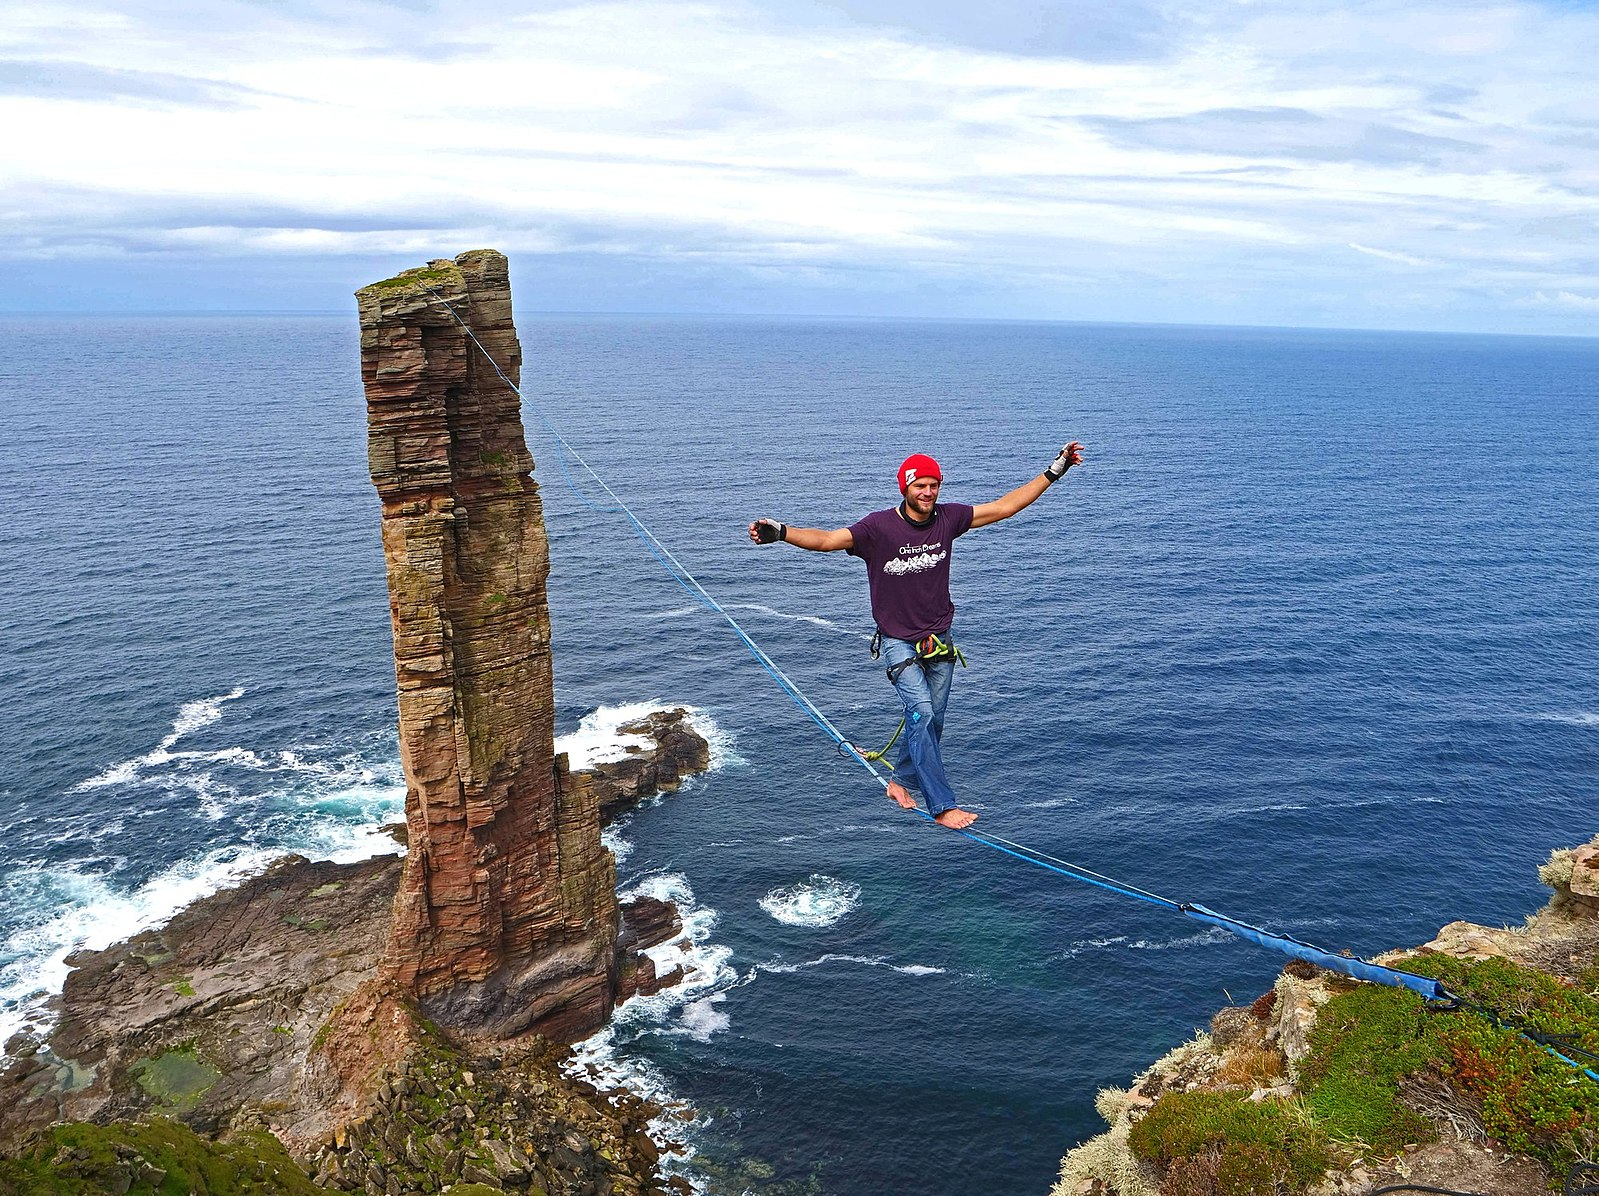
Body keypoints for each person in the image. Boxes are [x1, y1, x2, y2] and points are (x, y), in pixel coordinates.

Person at [748, 443, 1083, 829]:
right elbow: (826, 540)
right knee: (922, 712)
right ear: (904, 488)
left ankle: (900, 781)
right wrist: (782, 533)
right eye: (919, 485)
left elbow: (1004, 507)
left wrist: (1055, 470)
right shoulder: (878, 529)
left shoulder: (949, 518)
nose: (927, 493)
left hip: (940, 639)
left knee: (931, 720)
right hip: (898, 643)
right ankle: (942, 805)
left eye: (933, 486)